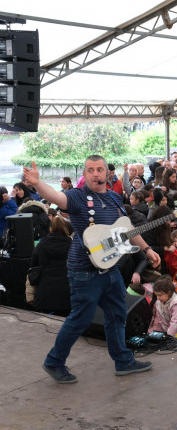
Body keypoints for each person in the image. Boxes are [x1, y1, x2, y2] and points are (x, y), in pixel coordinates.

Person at [24, 156, 159, 384]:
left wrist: (146, 249)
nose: (95, 174)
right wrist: (38, 184)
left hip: (110, 269)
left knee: (117, 313)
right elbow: (56, 197)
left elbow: (127, 229)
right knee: (80, 318)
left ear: (107, 174)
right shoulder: (77, 197)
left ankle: (123, 361)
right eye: (90, 170)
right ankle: (54, 361)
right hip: (84, 271)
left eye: (99, 170)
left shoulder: (116, 199)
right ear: (84, 175)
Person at [28, 216, 72, 316]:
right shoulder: (72, 245)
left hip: (45, 292)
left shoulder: (42, 244)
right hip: (66, 292)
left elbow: (33, 265)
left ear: (50, 228)